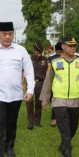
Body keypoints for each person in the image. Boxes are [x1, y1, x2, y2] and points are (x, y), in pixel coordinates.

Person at [40, 36, 79, 157]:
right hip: (58, 100)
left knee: (73, 126)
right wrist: (44, 99)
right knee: (64, 126)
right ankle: (67, 150)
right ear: (63, 47)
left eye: (74, 46)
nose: (73, 48)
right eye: (70, 46)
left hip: (75, 100)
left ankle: (63, 145)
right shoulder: (54, 62)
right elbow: (47, 81)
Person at [0, 22, 35, 157]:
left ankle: (9, 147)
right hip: (0, 96)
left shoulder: (21, 50)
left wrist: (30, 90)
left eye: (10, 34)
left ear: (13, 34)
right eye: (4, 34)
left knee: (11, 123)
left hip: (15, 96)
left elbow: (29, 71)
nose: (8, 37)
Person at [26, 40, 47, 129]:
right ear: (34, 50)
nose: (39, 54)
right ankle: (30, 121)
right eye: (37, 52)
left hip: (40, 83)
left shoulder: (45, 60)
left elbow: (47, 73)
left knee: (38, 103)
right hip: (30, 83)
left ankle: (37, 122)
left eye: (40, 53)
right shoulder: (29, 60)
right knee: (29, 102)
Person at [49, 41, 63, 127]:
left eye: (62, 52)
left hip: (65, 84)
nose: (61, 54)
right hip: (54, 84)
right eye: (59, 52)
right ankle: (54, 117)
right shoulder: (51, 59)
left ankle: (61, 118)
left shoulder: (67, 57)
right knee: (55, 101)